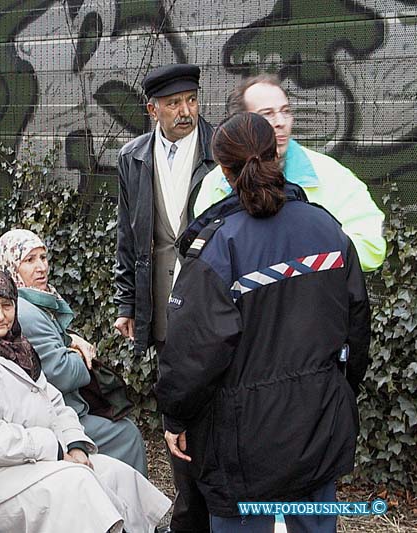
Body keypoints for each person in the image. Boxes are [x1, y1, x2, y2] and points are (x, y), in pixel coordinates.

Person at [155, 112, 371, 532]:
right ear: (276, 157)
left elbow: (193, 352)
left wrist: (176, 418)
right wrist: (338, 391)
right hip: (317, 425)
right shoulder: (328, 229)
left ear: (224, 170)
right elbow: (357, 324)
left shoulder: (219, 248)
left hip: (242, 444)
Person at [0, 267, 170, 533]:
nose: (0, 316)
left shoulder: (15, 347)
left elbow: (54, 403)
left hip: (22, 459)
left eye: (7, 305)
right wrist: (56, 450)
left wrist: (74, 443)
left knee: (115, 474)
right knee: (77, 484)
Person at [114, 63, 216, 532]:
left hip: (213, 297)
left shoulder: (222, 149)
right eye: (174, 103)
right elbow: (127, 238)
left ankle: (217, 505)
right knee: (174, 399)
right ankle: (188, 510)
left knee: (215, 399)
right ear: (151, 109)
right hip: (159, 302)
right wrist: (127, 303)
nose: (185, 111)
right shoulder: (132, 157)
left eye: (191, 100)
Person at [0, 229, 148, 475]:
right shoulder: (26, 311)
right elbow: (60, 373)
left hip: (51, 410)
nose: (41, 267)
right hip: (54, 416)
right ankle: (128, 507)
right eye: (29, 260)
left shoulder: (29, 302)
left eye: (43, 257)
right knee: (127, 434)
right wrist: (82, 354)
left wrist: (70, 340)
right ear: (10, 265)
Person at [193, 73, 386, 272]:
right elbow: (205, 258)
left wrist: (299, 258)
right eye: (267, 114)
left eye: (286, 111)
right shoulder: (215, 183)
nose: (280, 122)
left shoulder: (331, 175)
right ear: (243, 122)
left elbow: (372, 248)